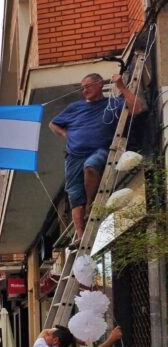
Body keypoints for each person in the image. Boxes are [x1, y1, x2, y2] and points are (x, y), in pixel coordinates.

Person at [49, 73, 144, 245]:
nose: (84, 90)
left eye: (88, 86)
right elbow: (53, 124)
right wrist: (66, 134)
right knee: (75, 193)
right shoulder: (75, 107)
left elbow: (137, 108)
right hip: (73, 155)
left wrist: (122, 86)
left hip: (100, 150)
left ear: (100, 84)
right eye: (82, 87)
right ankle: (80, 235)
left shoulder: (112, 104)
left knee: (91, 167)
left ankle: (90, 204)